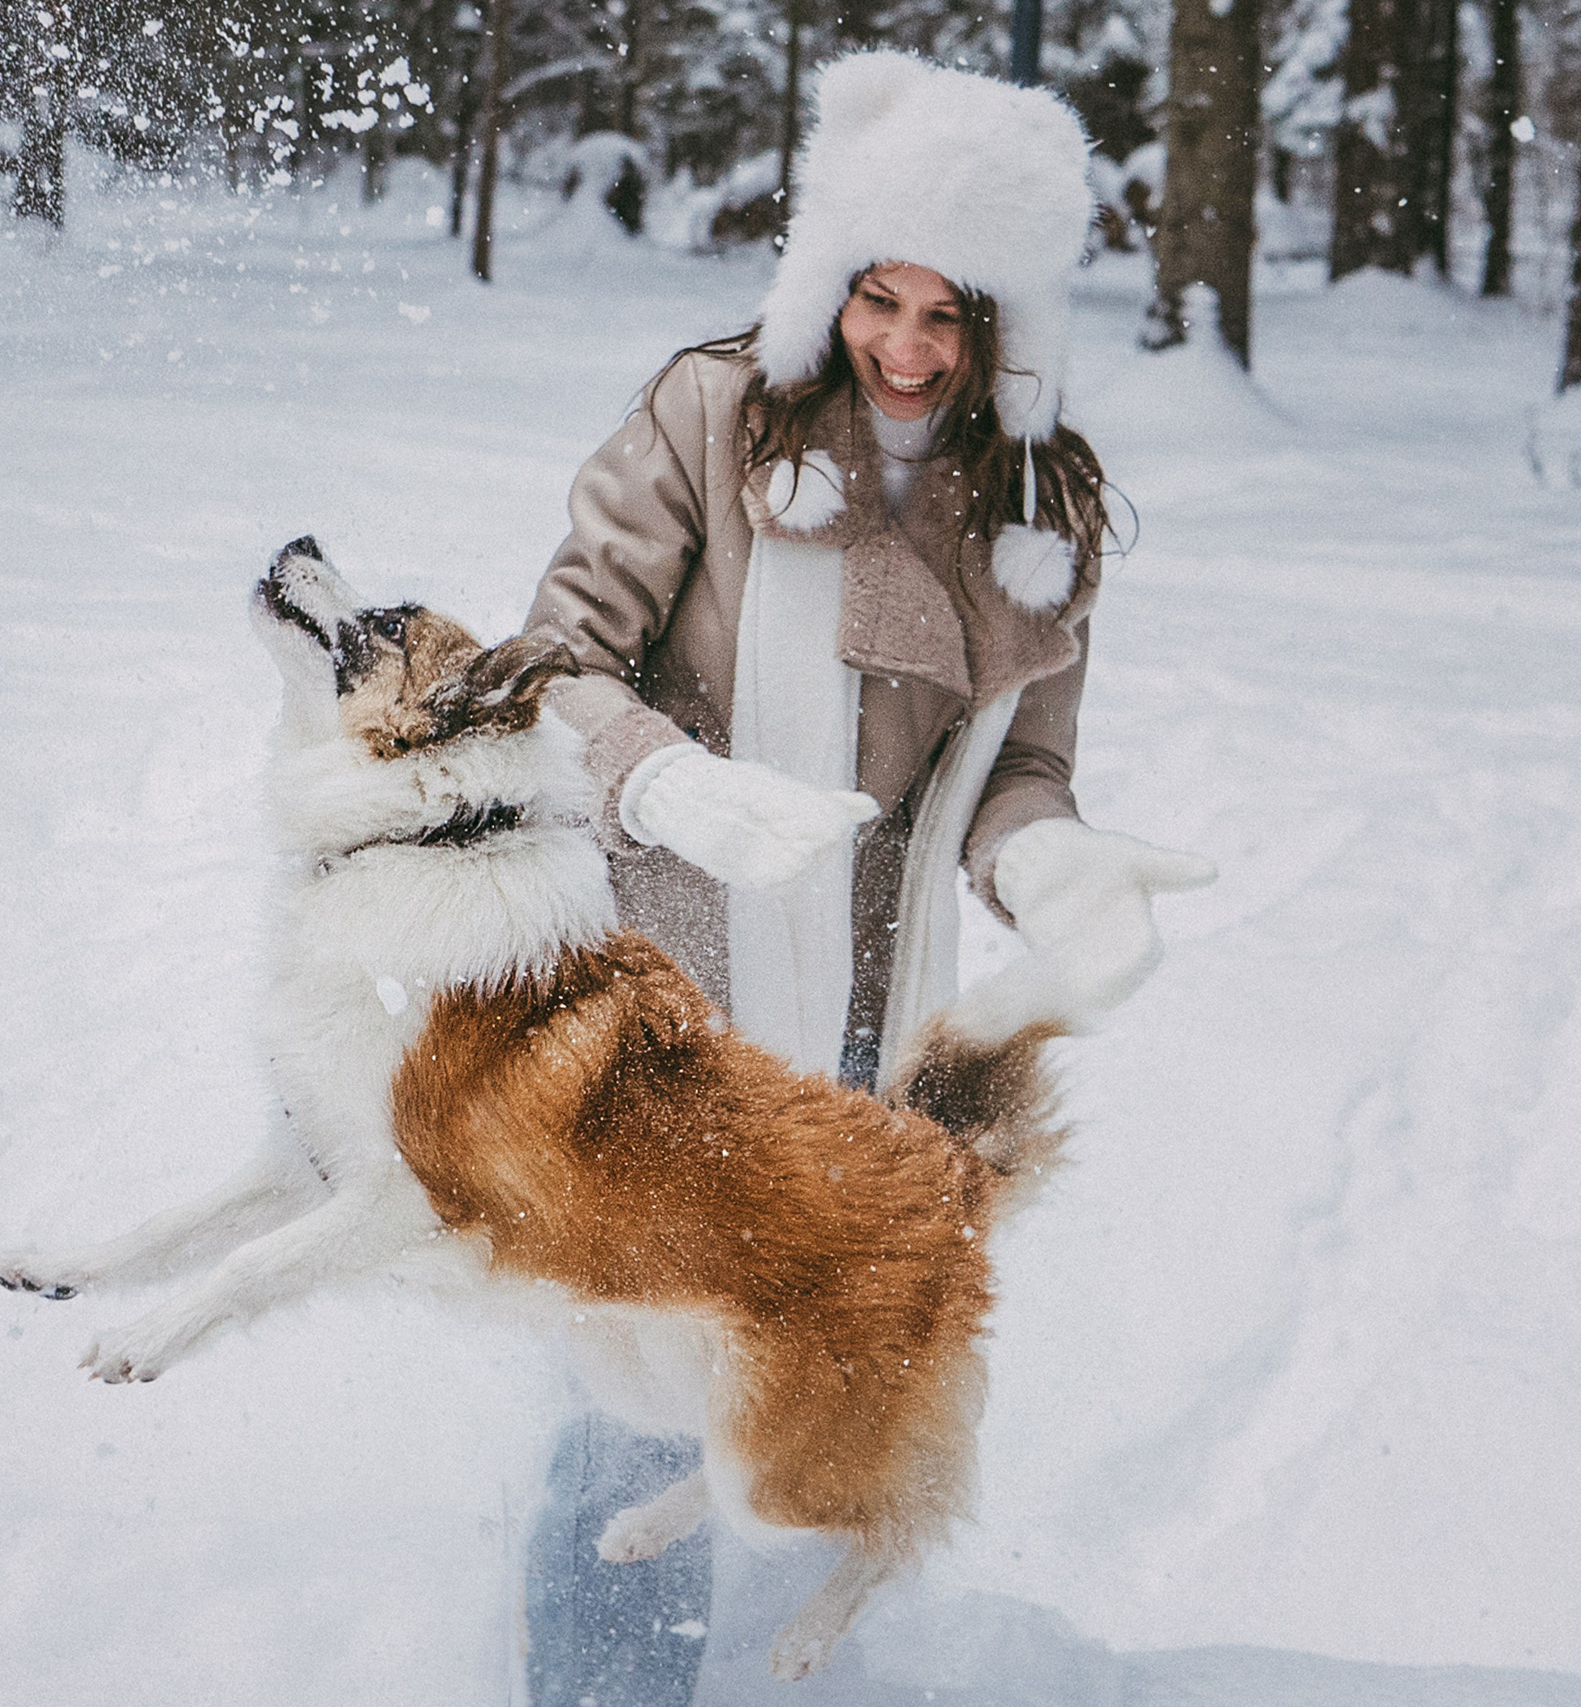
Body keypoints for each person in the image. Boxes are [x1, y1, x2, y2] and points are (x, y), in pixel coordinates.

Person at [514, 49, 1215, 1705]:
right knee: (635, 1380)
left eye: (946, 316)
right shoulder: (713, 416)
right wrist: (664, 776)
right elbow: (552, 662)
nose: (905, 347)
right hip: (670, 1000)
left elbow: (1020, 770)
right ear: (828, 284)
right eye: (878, 299)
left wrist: (1048, 864)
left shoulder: (1037, 510)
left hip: (865, 1030)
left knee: (791, 1374)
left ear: (1002, 331)